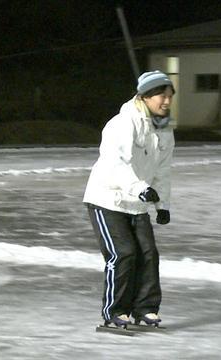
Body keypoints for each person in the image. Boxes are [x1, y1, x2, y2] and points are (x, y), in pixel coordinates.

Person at [83, 70, 175, 329]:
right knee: (123, 253)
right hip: (107, 199)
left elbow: (162, 171)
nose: (166, 101)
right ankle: (114, 311)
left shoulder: (165, 131)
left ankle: (145, 308)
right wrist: (139, 188)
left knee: (148, 254)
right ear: (145, 96)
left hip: (137, 202)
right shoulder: (122, 123)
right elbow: (115, 164)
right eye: (161, 95)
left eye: (169, 96)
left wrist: (163, 205)